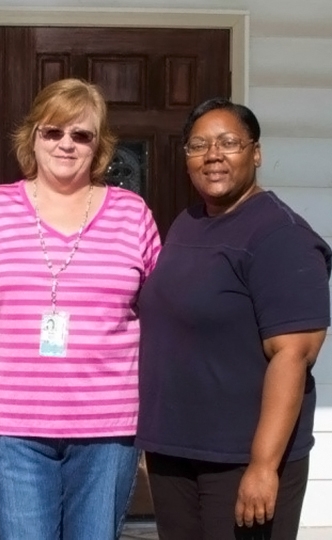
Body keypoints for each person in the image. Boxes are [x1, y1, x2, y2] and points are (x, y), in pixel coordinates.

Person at [0, 78, 162, 539]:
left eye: (82, 135)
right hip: (15, 422)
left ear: (99, 147)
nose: (66, 144)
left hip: (108, 424)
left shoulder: (131, 212)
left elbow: (169, 306)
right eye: (53, 131)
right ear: (32, 136)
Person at [136, 98, 331, 540]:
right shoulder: (189, 222)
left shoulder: (282, 237)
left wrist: (263, 466)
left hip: (241, 459)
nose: (213, 155)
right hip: (177, 452)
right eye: (198, 145)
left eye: (229, 143)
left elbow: (293, 355)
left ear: (256, 153)